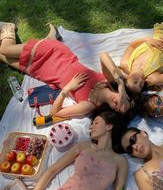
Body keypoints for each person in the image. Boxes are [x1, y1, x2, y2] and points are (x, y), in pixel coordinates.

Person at [0, 23, 132, 118]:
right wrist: (121, 85)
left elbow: (54, 113)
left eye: (121, 110)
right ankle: (8, 27)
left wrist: (68, 88)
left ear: (114, 112)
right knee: (5, 50)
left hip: (43, 71)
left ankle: (51, 38)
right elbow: (104, 56)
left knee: (2, 56)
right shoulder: (106, 80)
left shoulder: (89, 105)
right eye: (126, 102)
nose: (121, 105)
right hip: (54, 54)